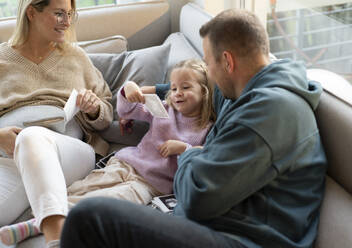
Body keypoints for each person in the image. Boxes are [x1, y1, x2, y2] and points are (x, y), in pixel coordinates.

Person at [60, 8, 328, 248]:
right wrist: (151, 90)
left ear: (228, 61)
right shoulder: (249, 91)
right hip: (218, 222)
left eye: (209, 63)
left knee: (90, 216)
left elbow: (197, 197)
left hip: (241, 238)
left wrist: (191, 154)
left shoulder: (270, 113)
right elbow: (191, 91)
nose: (209, 74)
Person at [0, 59, 215, 245]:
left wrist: (183, 148)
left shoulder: (207, 128)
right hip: (125, 164)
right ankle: (46, 218)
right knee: (79, 189)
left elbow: (208, 156)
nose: (178, 94)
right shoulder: (163, 110)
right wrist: (128, 88)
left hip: (149, 184)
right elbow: (126, 110)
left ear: (204, 92)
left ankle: (35, 224)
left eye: (186, 88)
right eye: (174, 88)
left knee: (107, 199)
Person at [0, 0, 113, 247]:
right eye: (59, 13)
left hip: (68, 151)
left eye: (70, 14)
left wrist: (94, 108)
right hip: (7, 156)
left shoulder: (76, 57)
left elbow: (107, 113)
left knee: (31, 136)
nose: (67, 21)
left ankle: (57, 240)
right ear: (32, 12)